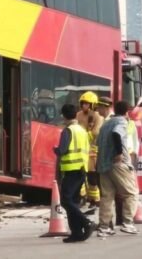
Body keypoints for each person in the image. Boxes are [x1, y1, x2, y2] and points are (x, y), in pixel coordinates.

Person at [96, 100, 139, 236]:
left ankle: (104, 227)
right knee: (131, 193)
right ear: (126, 112)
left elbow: (98, 142)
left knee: (107, 197)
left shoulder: (105, 124)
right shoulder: (121, 122)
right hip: (118, 164)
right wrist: (119, 153)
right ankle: (128, 223)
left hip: (103, 164)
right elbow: (116, 134)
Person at [54, 104, 95, 243]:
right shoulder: (82, 130)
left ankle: (86, 222)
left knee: (66, 200)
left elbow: (62, 150)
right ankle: (76, 233)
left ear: (63, 116)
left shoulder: (68, 131)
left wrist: (55, 149)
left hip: (71, 169)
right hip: (82, 169)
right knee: (74, 202)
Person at [77, 91, 104, 208]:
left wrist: (82, 136)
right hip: (80, 151)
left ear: (93, 104)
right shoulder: (78, 115)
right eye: (83, 103)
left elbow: (96, 132)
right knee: (80, 176)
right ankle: (82, 197)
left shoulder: (98, 117)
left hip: (93, 152)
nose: (84, 106)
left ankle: (95, 200)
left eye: (87, 104)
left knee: (92, 178)